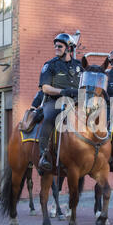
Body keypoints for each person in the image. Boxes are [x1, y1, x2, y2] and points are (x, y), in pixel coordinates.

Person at [37, 33, 82, 172]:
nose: (56, 48)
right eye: (55, 46)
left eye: (60, 46)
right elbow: (45, 87)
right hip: (55, 101)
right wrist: (61, 92)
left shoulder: (79, 65)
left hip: (76, 102)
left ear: (69, 48)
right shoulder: (50, 65)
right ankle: (43, 154)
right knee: (49, 118)